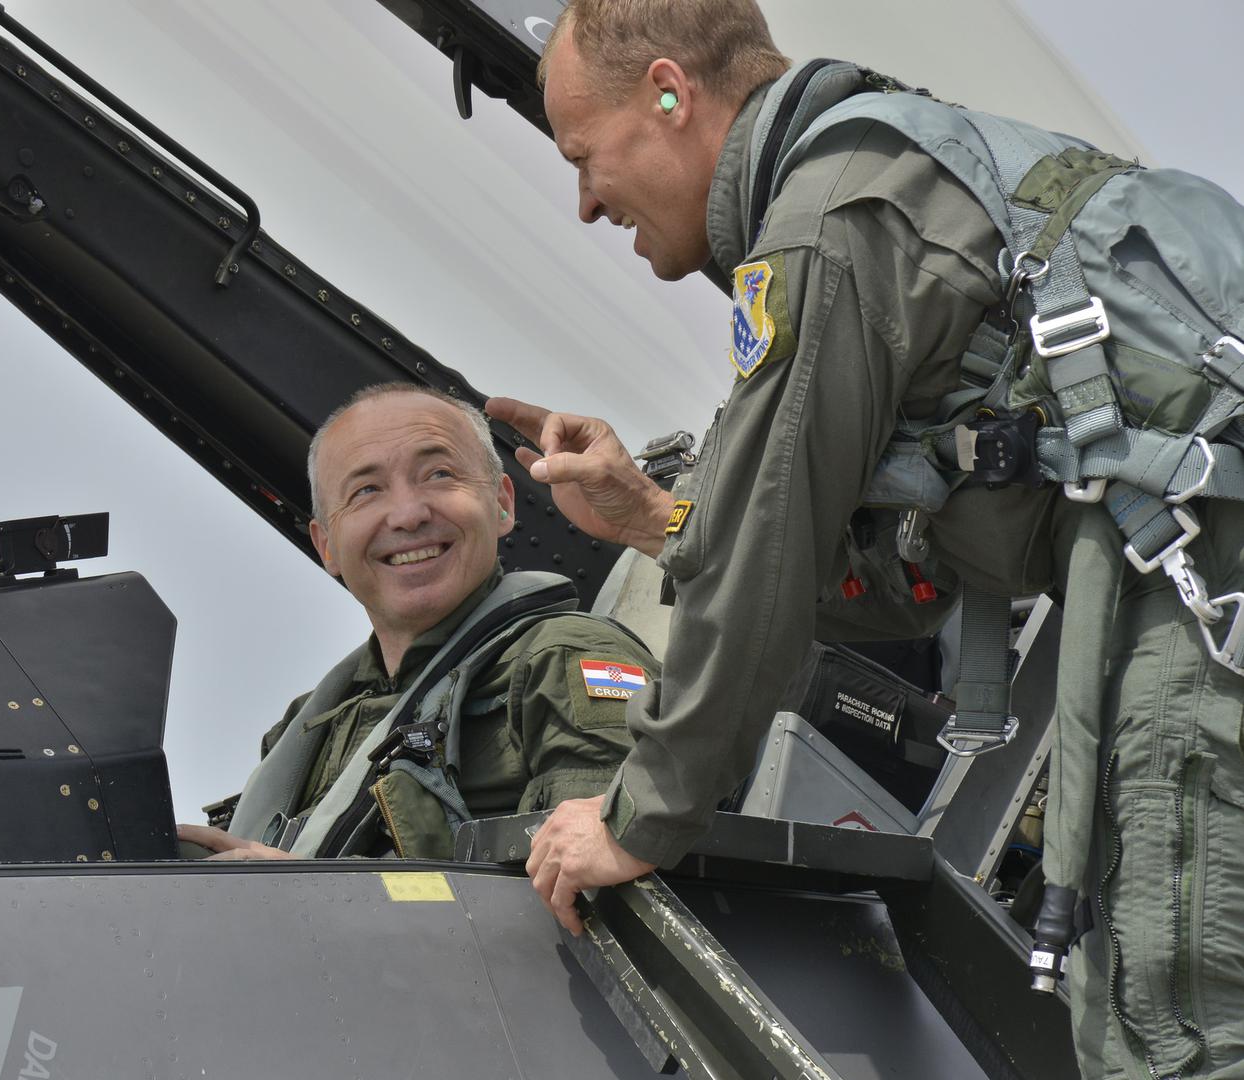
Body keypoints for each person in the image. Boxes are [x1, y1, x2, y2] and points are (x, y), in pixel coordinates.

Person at [492, 2, 1244, 1078]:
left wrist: (637, 819)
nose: (583, 202)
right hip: (1184, 580)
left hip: (1201, 604)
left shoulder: (826, 221)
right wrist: (657, 520)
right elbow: (880, 573)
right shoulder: (907, 160)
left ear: (668, 93)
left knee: (1178, 1034)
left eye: (582, 155)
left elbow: (761, 554)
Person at [178, 383, 658, 862]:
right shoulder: (310, 728)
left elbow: (620, 876)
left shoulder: (560, 659)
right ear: (327, 547)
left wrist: (314, 893)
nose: (408, 515)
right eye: (366, 491)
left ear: (502, 504)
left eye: (439, 474)